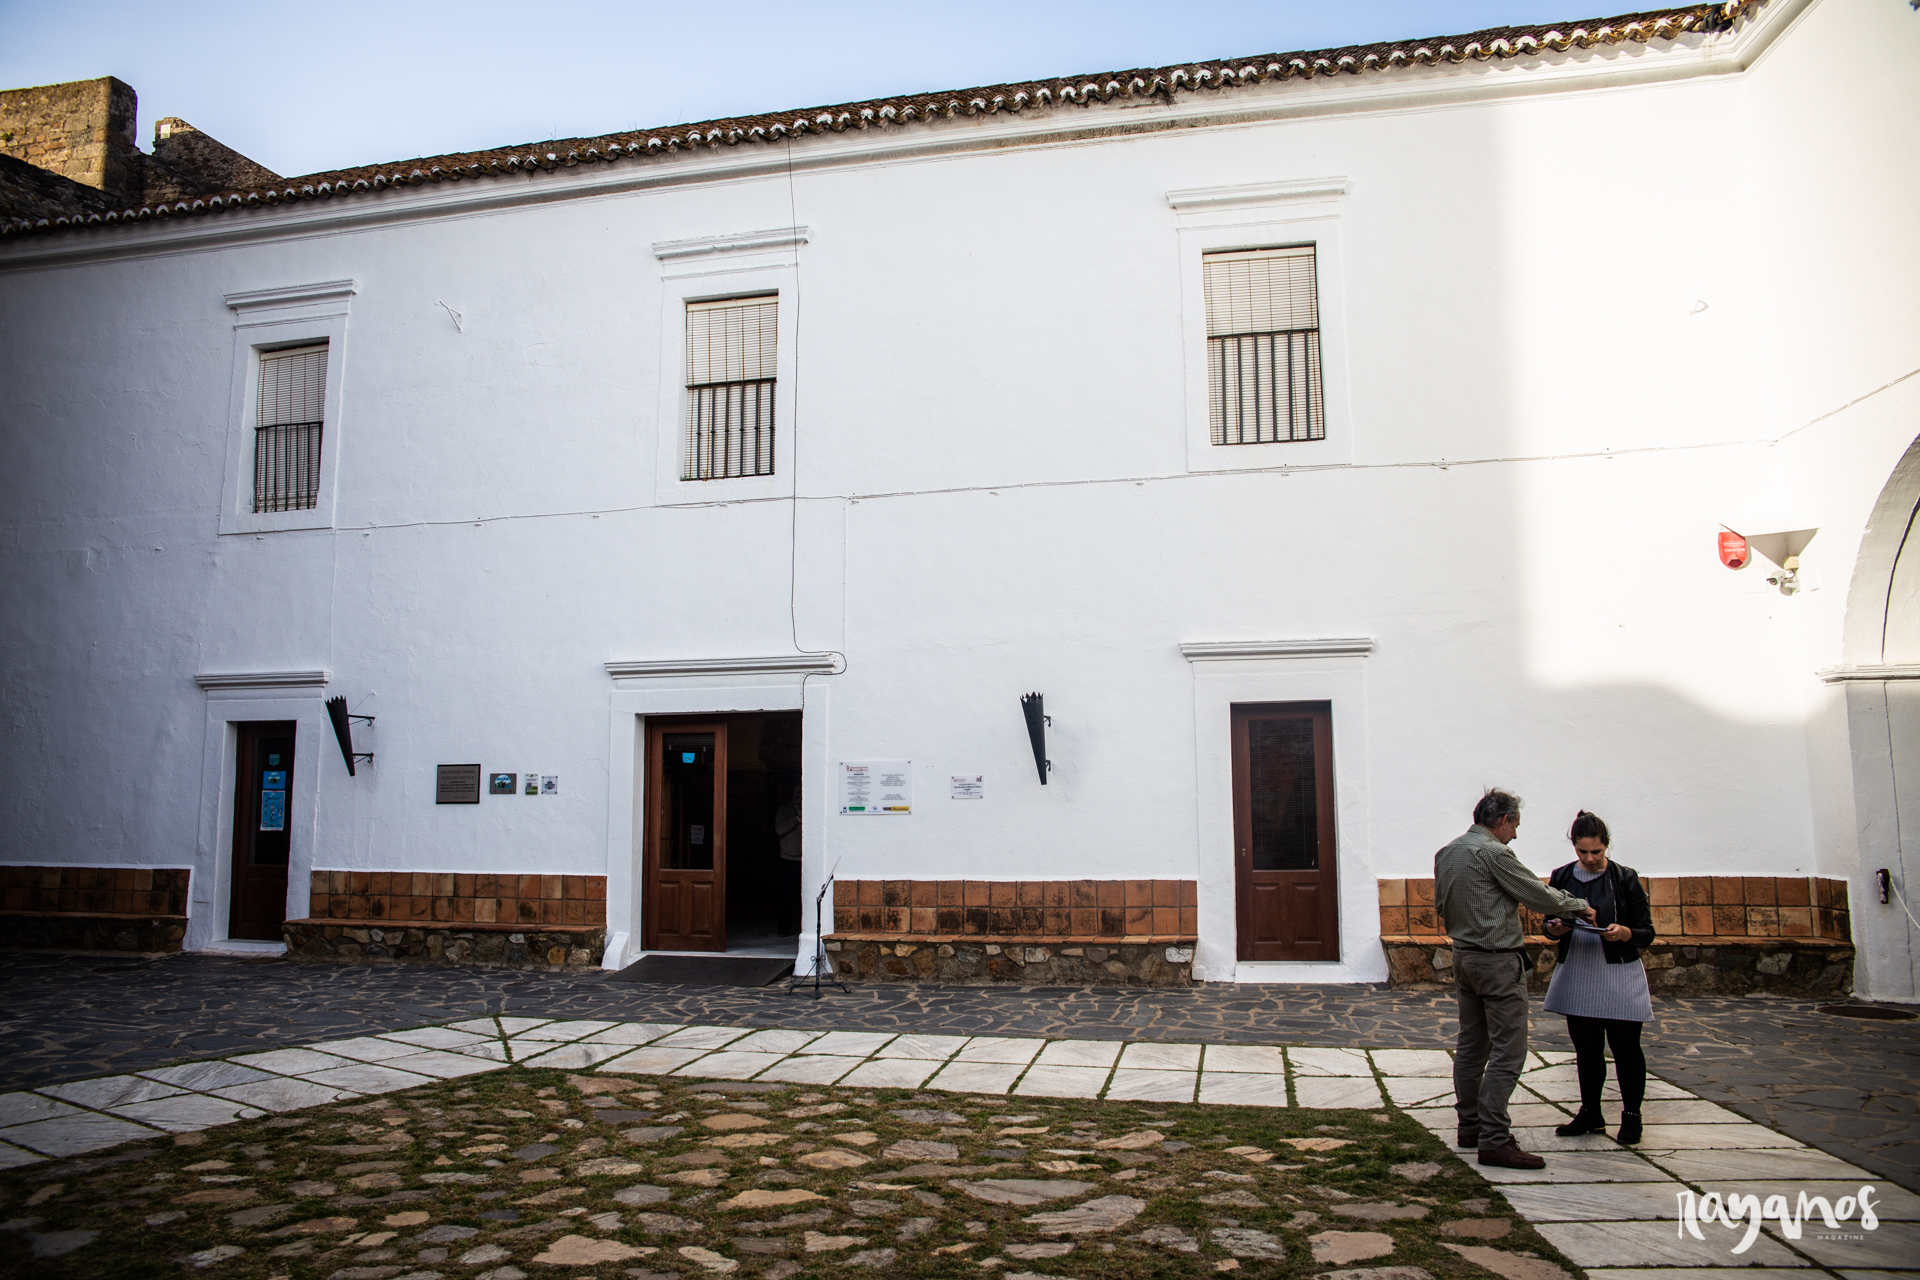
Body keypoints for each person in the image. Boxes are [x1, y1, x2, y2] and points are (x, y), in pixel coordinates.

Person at [1434, 788, 1596, 1169]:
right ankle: (1493, 1137)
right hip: (1497, 961)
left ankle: (1470, 1126)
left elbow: (1441, 904)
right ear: (1503, 820)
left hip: (1463, 957)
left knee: (1472, 1046)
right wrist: (1579, 906)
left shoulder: (1448, 852)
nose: (1516, 835)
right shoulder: (1494, 853)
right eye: (1515, 826)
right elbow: (1537, 895)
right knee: (1509, 1050)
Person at [1541, 810, 1654, 1145]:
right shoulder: (1561, 876)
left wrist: (1625, 932)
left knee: (1626, 1048)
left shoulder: (1624, 878)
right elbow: (1548, 924)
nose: (1589, 859)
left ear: (1607, 846)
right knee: (1587, 1050)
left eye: (1596, 852)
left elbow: (1647, 932)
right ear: (1573, 846)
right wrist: (1554, 927)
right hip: (1579, 971)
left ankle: (1632, 1116)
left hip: (1619, 971)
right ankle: (1590, 1112)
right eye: (1582, 852)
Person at [774, 785, 803, 936]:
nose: (798, 795)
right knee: (786, 895)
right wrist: (797, 819)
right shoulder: (784, 810)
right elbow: (779, 830)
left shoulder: (810, 808)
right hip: (788, 858)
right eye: (796, 792)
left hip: (805, 859)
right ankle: (783, 927)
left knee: (807, 893)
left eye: (801, 792)